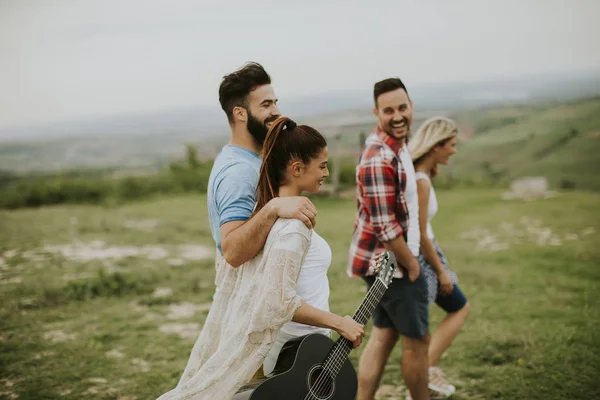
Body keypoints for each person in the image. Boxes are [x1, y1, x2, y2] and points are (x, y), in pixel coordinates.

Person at [157, 117, 365, 400]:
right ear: (297, 168)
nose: (326, 172)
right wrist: (339, 323)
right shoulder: (293, 226)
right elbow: (278, 300)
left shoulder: (264, 213)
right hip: (297, 351)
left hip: (301, 343)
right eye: (323, 165)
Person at [348, 78, 430, 400]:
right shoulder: (377, 158)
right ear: (376, 113)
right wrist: (412, 266)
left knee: (383, 336)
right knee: (418, 341)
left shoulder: (398, 146)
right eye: (388, 110)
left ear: (411, 107)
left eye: (402, 107)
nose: (397, 116)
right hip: (391, 266)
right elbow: (386, 228)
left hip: (386, 263)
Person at [408, 117, 471, 398]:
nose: (454, 151)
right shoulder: (420, 182)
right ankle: (425, 373)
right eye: (452, 145)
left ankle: (425, 373)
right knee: (459, 306)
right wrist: (441, 271)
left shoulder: (420, 177)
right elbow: (420, 235)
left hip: (428, 253)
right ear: (437, 145)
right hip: (425, 258)